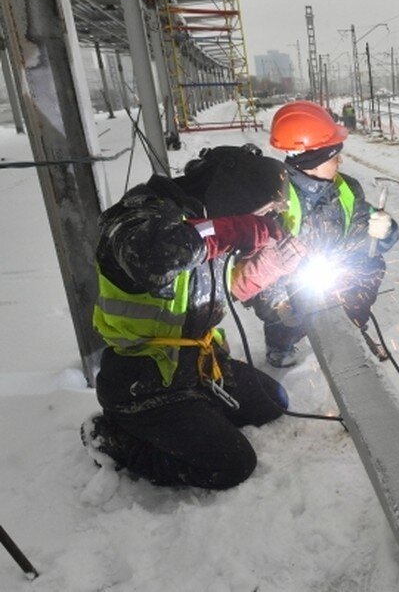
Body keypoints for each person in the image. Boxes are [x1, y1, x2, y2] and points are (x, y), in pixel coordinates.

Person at [82, 145, 306, 489]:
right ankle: (113, 435)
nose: (261, 223)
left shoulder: (207, 221)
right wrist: (235, 230)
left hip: (197, 367)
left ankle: (196, 417)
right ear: (234, 195)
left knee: (272, 401)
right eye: (259, 214)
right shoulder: (139, 215)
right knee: (233, 464)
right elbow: (157, 256)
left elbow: (205, 293)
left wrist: (263, 270)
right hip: (142, 380)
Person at [250, 100, 399, 368]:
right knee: (288, 318)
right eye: (333, 156)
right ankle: (281, 343)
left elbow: (362, 242)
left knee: (370, 265)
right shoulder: (274, 200)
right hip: (290, 284)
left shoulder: (347, 188)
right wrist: (277, 304)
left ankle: (351, 326)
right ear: (313, 161)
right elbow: (254, 269)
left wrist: (384, 231)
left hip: (332, 272)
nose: (340, 161)